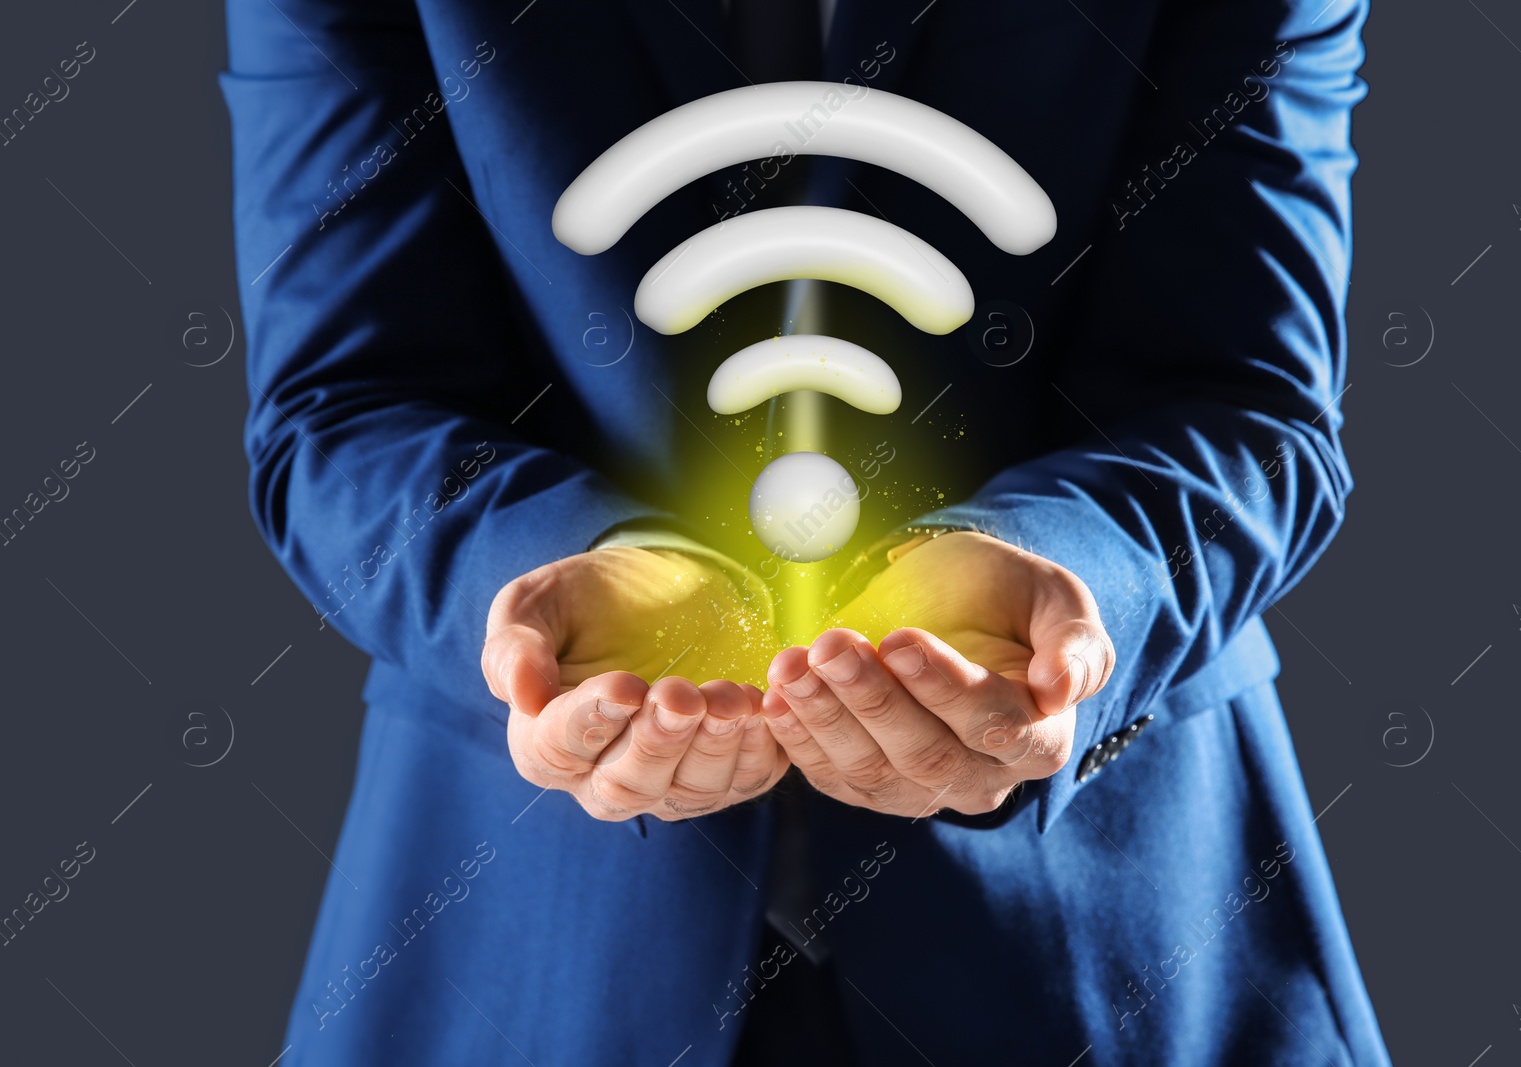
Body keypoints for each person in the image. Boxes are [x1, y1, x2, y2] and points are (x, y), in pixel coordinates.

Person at [223, 0, 1390, 1063]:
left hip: (1113, 942)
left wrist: (1073, 578)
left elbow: (1249, 400)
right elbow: (343, 403)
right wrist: (541, 578)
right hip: (528, 947)